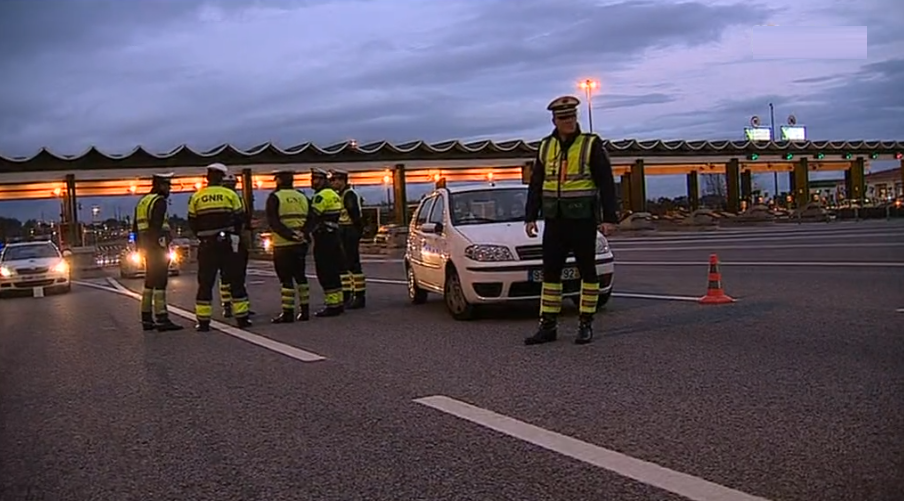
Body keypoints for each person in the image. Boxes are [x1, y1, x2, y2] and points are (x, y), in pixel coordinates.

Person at [523, 95, 618, 346]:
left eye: (572, 117)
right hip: (555, 219)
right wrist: (530, 216)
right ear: (554, 120)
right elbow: (536, 183)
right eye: (563, 118)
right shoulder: (545, 146)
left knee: (587, 271)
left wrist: (609, 217)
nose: (568, 121)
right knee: (550, 274)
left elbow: (606, 182)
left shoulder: (591, 144)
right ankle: (548, 325)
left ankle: (585, 323)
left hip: (582, 218)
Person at [187, 163, 252, 331]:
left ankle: (203, 322)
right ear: (222, 177)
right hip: (229, 244)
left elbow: (192, 221)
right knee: (236, 280)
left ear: (207, 178)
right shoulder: (229, 194)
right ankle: (242, 318)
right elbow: (240, 218)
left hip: (207, 245)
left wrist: (203, 236)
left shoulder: (197, 196)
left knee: (205, 283)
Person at [132, 173, 183, 332]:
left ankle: (146, 318)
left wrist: (139, 247)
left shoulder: (143, 201)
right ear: (160, 185)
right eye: (168, 186)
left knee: (149, 283)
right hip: (157, 248)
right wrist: (161, 245)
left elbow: (135, 227)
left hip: (146, 247)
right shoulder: (159, 202)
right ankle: (162, 318)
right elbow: (156, 226)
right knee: (160, 283)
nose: (169, 189)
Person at [266, 169, 312, 323]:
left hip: (283, 244)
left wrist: (289, 235)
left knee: (286, 279)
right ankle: (305, 310)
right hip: (300, 243)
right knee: (301, 276)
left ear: (278, 180)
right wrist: (302, 234)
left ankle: (288, 312)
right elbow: (311, 218)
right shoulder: (302, 196)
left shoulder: (275, 197)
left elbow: (274, 222)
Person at [303, 168, 345, 317]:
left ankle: (332, 305)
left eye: (315, 179)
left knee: (325, 272)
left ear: (322, 180)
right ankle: (339, 303)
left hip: (324, 238)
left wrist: (303, 232)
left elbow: (313, 216)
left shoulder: (321, 196)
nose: (312, 183)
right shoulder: (334, 194)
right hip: (333, 236)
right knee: (334, 271)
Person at [217, 173, 255, 318]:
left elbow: (244, 218)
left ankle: (238, 304)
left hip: (235, 239)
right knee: (228, 274)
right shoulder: (233, 198)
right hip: (230, 238)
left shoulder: (237, 199)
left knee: (235, 274)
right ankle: (228, 305)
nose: (231, 188)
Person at [329, 168, 366, 309]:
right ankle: (347, 294)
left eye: (338, 180)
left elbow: (354, 213)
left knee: (353, 264)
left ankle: (359, 296)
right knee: (343, 265)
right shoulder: (340, 194)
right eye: (333, 180)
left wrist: (357, 230)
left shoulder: (349, 194)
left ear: (344, 181)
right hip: (342, 229)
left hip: (349, 229)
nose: (335, 183)